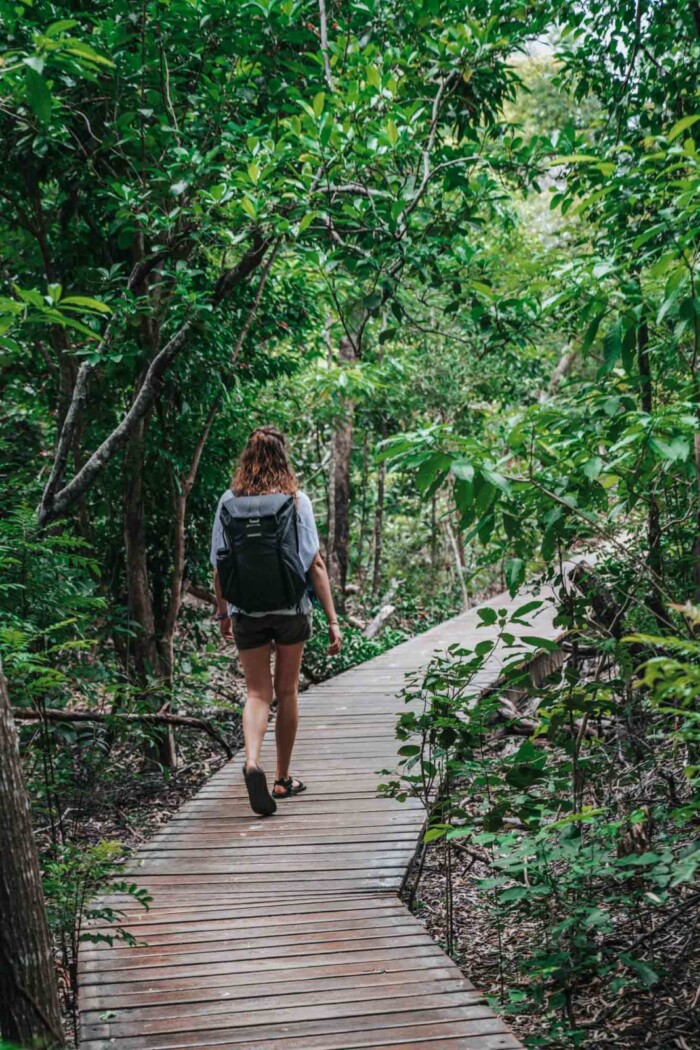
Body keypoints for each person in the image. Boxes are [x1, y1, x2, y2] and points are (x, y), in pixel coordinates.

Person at [210, 426, 342, 816]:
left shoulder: (228, 501)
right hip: (291, 610)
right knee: (286, 692)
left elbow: (220, 563)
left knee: (256, 694)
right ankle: (282, 780)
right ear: (283, 458)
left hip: (246, 612)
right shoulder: (295, 500)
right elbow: (314, 563)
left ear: (246, 460)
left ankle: (252, 762)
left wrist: (222, 611)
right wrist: (333, 620)